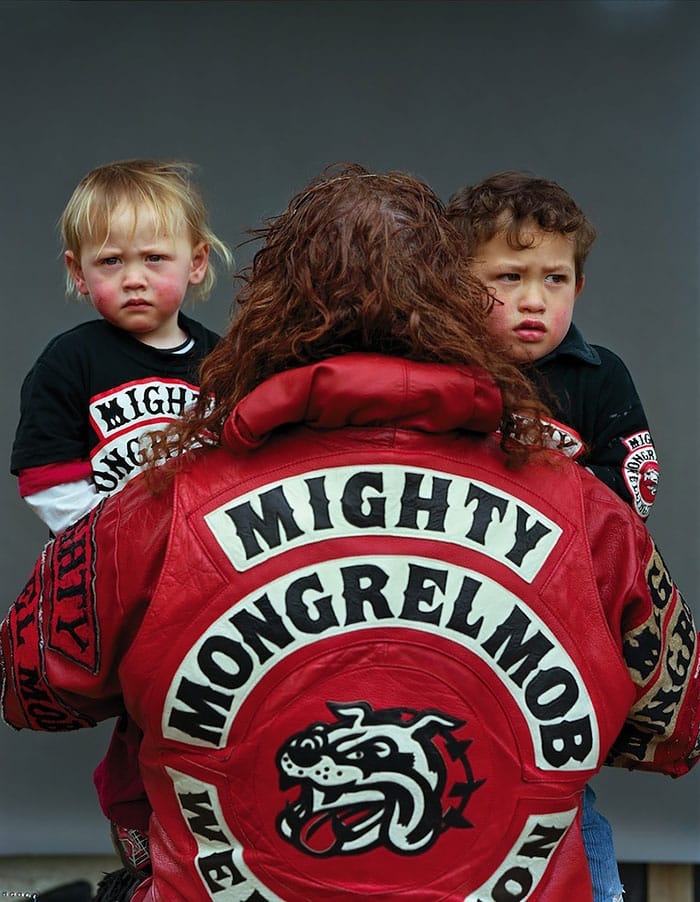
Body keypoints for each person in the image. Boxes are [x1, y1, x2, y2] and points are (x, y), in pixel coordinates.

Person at [1, 164, 698, 902]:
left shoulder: (152, 508)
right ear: (463, 306)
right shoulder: (586, 511)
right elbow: (673, 728)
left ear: (268, 309)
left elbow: (29, 691)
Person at [9, 158, 232, 879]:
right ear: (79, 275)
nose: (133, 277)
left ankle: (222, 848)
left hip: (211, 575)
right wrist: (118, 544)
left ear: (197, 264)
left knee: (216, 704)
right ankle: (142, 848)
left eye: (154, 258)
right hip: (119, 580)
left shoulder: (226, 365)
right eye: (111, 262)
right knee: (148, 717)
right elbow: (44, 476)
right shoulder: (70, 360)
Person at [446, 171, 660, 901]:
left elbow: (631, 499)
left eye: (555, 278)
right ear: (455, 282)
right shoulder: (438, 375)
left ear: (579, 286)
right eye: (508, 276)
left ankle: (592, 890)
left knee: (557, 785)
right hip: (458, 619)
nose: (535, 298)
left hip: (564, 625)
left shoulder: (599, 379)